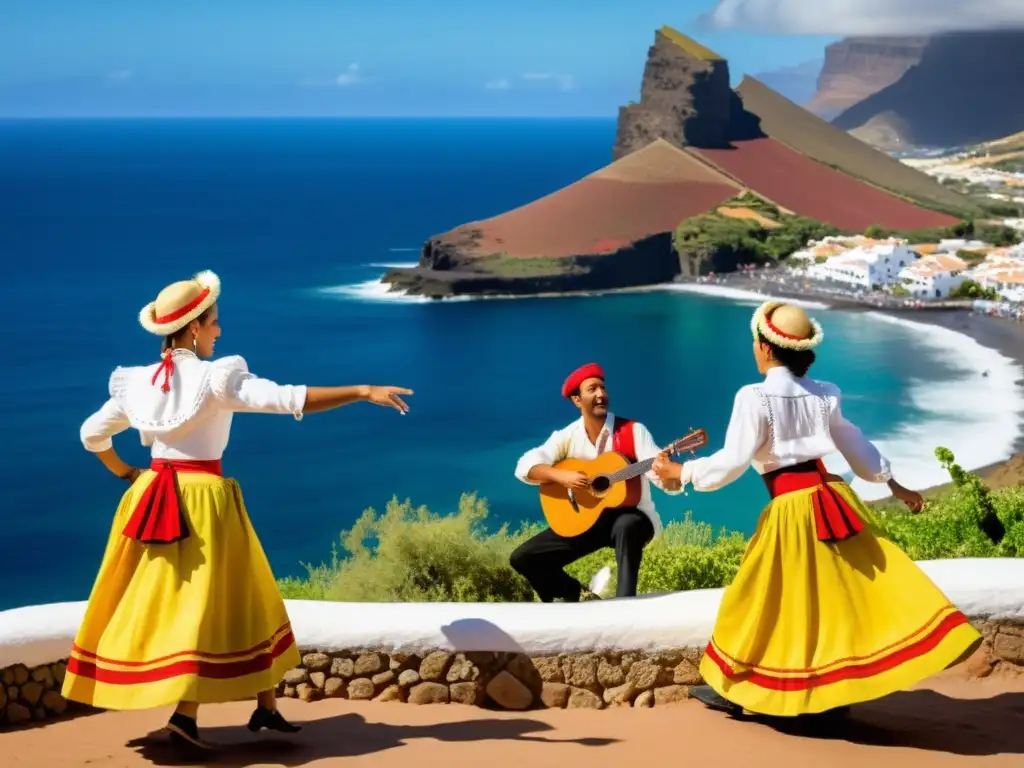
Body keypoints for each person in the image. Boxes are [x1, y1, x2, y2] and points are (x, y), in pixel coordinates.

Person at [62, 270, 413, 751]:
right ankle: (186, 719)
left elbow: (90, 435)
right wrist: (360, 390)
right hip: (204, 502)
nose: (219, 331)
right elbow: (288, 399)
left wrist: (127, 474)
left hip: (152, 498)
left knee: (240, 593)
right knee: (206, 606)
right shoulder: (215, 378)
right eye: (213, 323)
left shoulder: (139, 383)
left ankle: (266, 705)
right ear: (192, 329)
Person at [651, 300, 983, 718]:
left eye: (755, 343)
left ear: (766, 348)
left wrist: (681, 472)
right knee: (834, 601)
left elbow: (733, 462)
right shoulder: (826, 394)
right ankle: (820, 695)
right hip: (832, 499)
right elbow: (856, 443)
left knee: (759, 598)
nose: (753, 350)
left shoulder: (753, 396)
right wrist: (894, 484)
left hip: (792, 511)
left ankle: (743, 688)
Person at [510, 363, 683, 602]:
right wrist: (562, 476)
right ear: (577, 400)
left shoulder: (633, 431)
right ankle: (577, 595)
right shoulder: (567, 436)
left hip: (633, 519)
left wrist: (674, 478)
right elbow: (524, 466)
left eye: (602, 388)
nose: (601, 394)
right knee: (523, 557)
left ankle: (625, 605)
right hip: (588, 518)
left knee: (627, 524)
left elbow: (662, 479)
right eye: (592, 389)